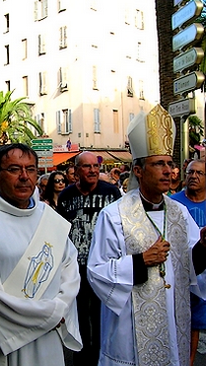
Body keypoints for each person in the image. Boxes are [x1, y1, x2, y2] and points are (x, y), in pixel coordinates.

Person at [87, 105, 206, 366]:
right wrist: (140, 261)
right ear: (138, 170)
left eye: (170, 164)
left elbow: (191, 268)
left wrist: (204, 245)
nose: (168, 171)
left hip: (173, 320)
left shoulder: (179, 213)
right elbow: (97, 270)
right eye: (159, 164)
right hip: (129, 327)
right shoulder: (114, 215)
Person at [0, 143, 81, 365]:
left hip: (47, 338)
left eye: (31, 169)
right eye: (14, 169)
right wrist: (49, 314)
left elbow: (70, 270)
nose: (24, 176)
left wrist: (59, 308)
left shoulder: (50, 219)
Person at [56, 151, 121, 365]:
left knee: (103, 315)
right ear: (76, 171)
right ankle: (82, 358)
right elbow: (60, 231)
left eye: (96, 166)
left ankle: (104, 356)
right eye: (87, 166)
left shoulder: (111, 193)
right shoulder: (66, 196)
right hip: (76, 269)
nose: (93, 170)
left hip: (105, 267)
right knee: (80, 315)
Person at [170, 159, 206, 365]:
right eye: (190, 172)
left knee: (198, 324)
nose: (193, 176)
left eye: (199, 173)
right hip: (181, 272)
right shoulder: (174, 203)